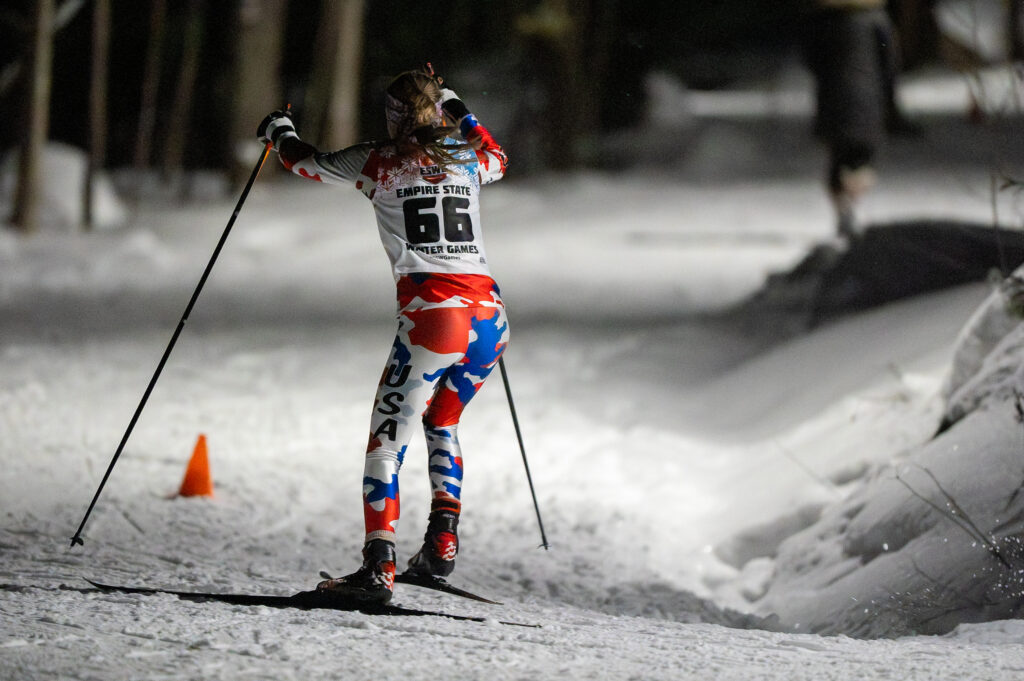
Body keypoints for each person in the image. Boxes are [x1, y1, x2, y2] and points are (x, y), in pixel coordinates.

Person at [257, 68, 510, 604]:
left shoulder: (378, 159)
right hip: (489, 318)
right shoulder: (468, 158)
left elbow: (304, 163)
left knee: (387, 441)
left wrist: (279, 130)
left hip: (434, 317)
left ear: (394, 117)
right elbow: (497, 156)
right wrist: (457, 104)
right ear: (436, 111)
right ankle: (441, 545)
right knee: (443, 419)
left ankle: (379, 569)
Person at [801, 0, 914, 241]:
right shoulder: (876, 19)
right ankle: (851, 201)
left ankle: (843, 206)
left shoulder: (821, 21)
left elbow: (811, 59)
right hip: (868, 100)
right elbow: (889, 59)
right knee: (862, 158)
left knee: (838, 157)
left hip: (832, 98)